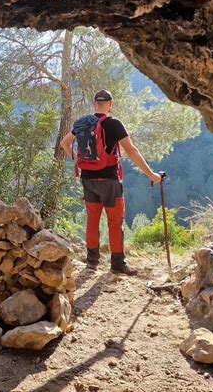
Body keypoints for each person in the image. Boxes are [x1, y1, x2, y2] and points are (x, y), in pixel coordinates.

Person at [60, 89, 161, 275]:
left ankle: (92, 262)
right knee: (114, 222)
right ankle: (117, 265)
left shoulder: (84, 123)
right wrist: (151, 174)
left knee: (92, 219)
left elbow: (64, 143)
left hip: (88, 179)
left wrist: (77, 160)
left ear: (94, 103)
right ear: (110, 104)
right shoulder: (114, 124)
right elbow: (131, 151)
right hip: (109, 181)